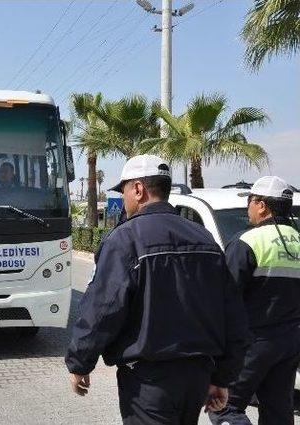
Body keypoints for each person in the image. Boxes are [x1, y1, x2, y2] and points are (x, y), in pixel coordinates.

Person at [65, 154, 250, 425]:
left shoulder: (125, 239)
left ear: (138, 189)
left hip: (149, 382)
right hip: (197, 377)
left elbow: (103, 309)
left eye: (125, 190)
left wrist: (80, 362)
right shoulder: (204, 238)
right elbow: (233, 316)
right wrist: (222, 378)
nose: (125, 199)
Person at [210, 176, 300, 425]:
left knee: (225, 408)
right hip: (290, 342)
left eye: (250, 201)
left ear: (261, 205)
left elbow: (225, 298)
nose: (248, 207)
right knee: (278, 411)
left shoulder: (247, 241)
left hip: (252, 344)